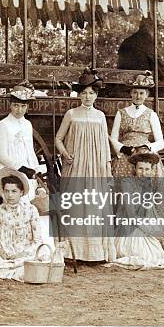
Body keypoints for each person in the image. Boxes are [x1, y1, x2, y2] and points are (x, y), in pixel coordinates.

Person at [55, 68, 115, 261]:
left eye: (91, 93)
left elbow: (105, 145)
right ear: (79, 94)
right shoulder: (71, 114)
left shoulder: (100, 116)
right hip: (76, 165)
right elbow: (58, 139)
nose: (87, 97)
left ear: (96, 95)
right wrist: (65, 154)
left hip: (96, 165)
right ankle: (74, 252)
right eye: (84, 93)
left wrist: (106, 167)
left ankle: (94, 253)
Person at [0, 80, 53, 248]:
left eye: (23, 106)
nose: (19, 110)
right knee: (15, 198)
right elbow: (3, 155)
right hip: (9, 169)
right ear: (11, 105)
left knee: (32, 203)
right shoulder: (3, 125)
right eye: (16, 105)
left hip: (26, 168)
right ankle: (12, 243)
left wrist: (35, 171)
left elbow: (29, 150)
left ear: (27, 107)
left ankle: (31, 243)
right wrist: (22, 169)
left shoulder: (27, 124)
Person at [117, 16, 164, 130]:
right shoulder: (148, 42)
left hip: (122, 85)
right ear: (150, 27)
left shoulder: (126, 41)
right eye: (156, 28)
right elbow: (161, 71)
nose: (156, 32)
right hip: (145, 85)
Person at [111, 153, 164, 270]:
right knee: (142, 254)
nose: (144, 173)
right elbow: (130, 212)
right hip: (128, 223)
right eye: (140, 169)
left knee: (156, 253)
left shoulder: (148, 184)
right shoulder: (127, 183)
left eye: (147, 169)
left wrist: (154, 227)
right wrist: (147, 229)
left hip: (143, 220)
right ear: (135, 169)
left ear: (152, 170)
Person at [110, 74, 164, 178]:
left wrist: (147, 147)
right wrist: (123, 148)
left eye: (141, 93)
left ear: (146, 95)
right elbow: (113, 138)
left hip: (145, 154)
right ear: (131, 93)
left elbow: (160, 142)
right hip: (126, 153)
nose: (138, 96)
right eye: (135, 92)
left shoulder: (151, 114)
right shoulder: (121, 113)